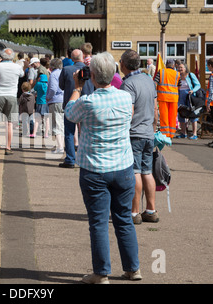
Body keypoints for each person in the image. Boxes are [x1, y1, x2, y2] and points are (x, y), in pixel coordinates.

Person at [64, 52, 141, 284]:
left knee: (98, 222)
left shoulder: (88, 102)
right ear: (116, 73)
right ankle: (133, 269)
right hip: (124, 168)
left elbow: (69, 113)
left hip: (94, 170)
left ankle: (101, 273)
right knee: (124, 219)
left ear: (93, 76)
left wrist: (77, 87)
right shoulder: (126, 98)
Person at [119, 50, 159, 224]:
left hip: (134, 133)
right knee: (147, 172)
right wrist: (155, 128)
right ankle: (150, 210)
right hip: (148, 132)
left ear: (124, 65)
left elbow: (129, 111)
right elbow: (155, 108)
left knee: (135, 172)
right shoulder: (148, 80)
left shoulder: (128, 84)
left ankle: (134, 213)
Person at [0, 48, 24, 155]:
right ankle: (7, 148)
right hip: (12, 96)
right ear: (13, 57)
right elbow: (22, 75)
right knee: (9, 123)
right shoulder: (17, 66)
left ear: (2, 56)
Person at [58, 49, 85, 168]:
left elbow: (61, 86)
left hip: (71, 104)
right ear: (82, 56)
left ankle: (70, 159)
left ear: (72, 58)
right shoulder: (90, 70)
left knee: (69, 132)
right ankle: (84, 158)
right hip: (86, 105)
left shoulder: (66, 70)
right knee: (86, 132)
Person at [155, 59, 180, 138]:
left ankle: (165, 134)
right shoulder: (177, 74)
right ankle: (171, 134)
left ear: (166, 65)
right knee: (172, 117)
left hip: (163, 97)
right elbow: (179, 85)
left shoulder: (161, 72)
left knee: (164, 116)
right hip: (173, 98)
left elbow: (155, 82)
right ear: (173, 65)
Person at [176, 63, 201, 140]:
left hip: (189, 96)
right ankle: (183, 133)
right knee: (181, 113)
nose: (180, 69)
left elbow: (198, 85)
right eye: (179, 67)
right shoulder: (177, 76)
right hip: (180, 95)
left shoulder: (190, 75)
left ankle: (194, 134)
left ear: (185, 68)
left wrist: (193, 90)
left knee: (193, 114)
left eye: (181, 67)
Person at [46, 58, 64, 154]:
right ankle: (61, 146)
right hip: (63, 100)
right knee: (61, 124)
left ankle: (60, 147)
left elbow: (53, 88)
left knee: (56, 125)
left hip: (55, 101)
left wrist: (48, 97)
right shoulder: (62, 73)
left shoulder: (53, 74)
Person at [31, 74, 50, 138]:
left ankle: (34, 133)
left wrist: (38, 81)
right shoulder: (48, 85)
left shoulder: (38, 84)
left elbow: (35, 88)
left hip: (39, 103)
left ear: (40, 78)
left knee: (37, 119)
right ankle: (46, 134)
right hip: (46, 103)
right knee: (46, 120)